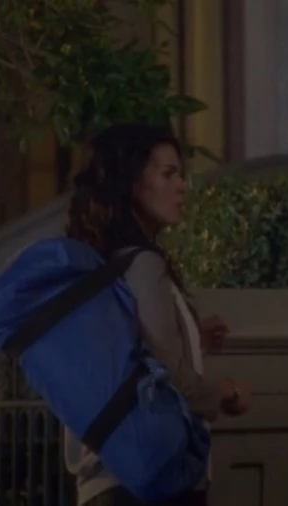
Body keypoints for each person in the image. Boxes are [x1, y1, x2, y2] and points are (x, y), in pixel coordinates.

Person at [62, 123, 251, 506]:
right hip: (148, 479)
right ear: (132, 183)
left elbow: (128, 353)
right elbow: (174, 383)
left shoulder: (100, 261)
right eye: (168, 174)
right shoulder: (142, 264)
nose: (182, 186)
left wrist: (191, 335)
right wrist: (227, 391)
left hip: (109, 476)